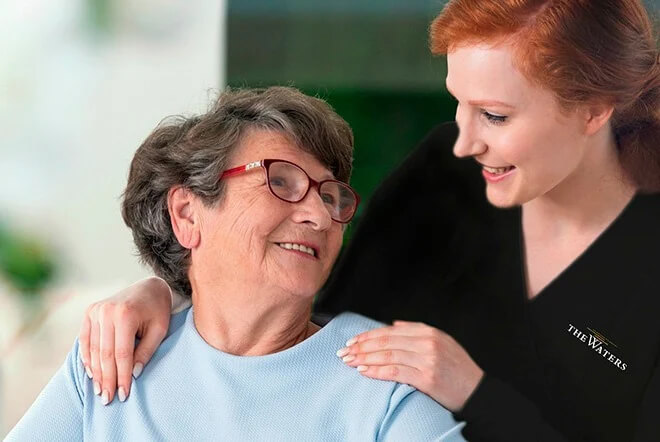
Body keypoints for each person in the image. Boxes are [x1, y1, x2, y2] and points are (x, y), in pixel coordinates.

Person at [77, 0, 660, 440]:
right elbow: (295, 295)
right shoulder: (446, 176)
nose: (465, 142)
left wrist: (476, 394)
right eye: (458, 102)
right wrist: (169, 292)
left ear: (592, 111)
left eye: (495, 115)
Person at [6, 87, 466, 441]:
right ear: (187, 214)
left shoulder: (381, 389)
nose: (319, 214)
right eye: (281, 181)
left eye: (331, 196)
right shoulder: (111, 361)